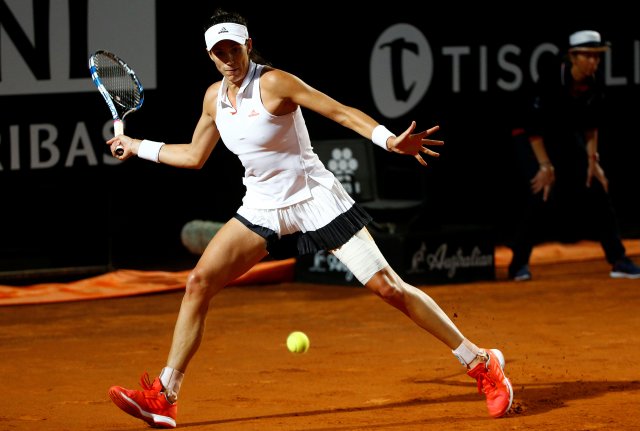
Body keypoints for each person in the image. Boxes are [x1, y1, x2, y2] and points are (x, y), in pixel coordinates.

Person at [106, 8, 513, 428]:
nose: (227, 58)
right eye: (218, 51)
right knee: (198, 283)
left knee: (388, 288)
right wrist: (136, 145)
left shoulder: (275, 82)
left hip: (315, 198)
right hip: (262, 204)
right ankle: (165, 396)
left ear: (247, 45)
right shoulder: (213, 98)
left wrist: (389, 141)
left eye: (233, 47)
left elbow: (339, 111)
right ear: (209, 55)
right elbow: (193, 155)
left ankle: (481, 362)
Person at [508, 30, 640, 282]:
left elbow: (592, 125)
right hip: (529, 137)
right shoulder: (550, 79)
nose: (594, 61)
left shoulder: (595, 81)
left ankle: (619, 260)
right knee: (541, 190)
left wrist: (593, 161)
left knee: (597, 185)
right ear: (573, 57)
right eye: (589, 56)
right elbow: (533, 128)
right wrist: (545, 166)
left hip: (564, 137)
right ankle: (518, 264)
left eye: (597, 56)